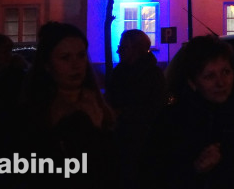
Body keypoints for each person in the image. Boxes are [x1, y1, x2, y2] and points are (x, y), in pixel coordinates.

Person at [149, 34, 234, 188]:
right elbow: (156, 174)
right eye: (209, 76)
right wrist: (195, 169)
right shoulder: (173, 121)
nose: (220, 83)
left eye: (226, 72)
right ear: (193, 82)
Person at [17, 21, 116, 187]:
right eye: (65, 58)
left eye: (81, 55)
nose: (75, 65)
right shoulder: (34, 113)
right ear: (47, 65)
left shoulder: (97, 105)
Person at [105, 29, 166, 187]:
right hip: (119, 143)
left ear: (136, 49)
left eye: (123, 47)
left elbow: (155, 109)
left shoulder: (153, 75)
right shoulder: (120, 72)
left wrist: (124, 114)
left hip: (143, 146)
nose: (118, 51)